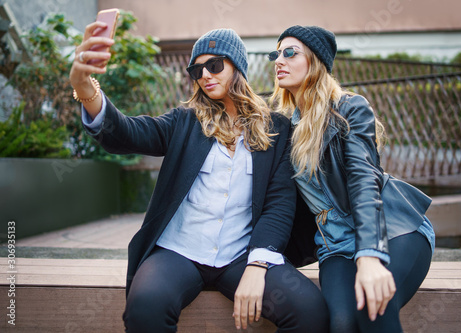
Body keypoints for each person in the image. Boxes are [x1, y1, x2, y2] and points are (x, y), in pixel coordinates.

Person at [70, 22, 329, 333]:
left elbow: (278, 204)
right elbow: (126, 132)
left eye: (215, 65)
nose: (205, 75)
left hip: (241, 255)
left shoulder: (277, 128)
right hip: (179, 252)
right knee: (145, 307)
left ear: (238, 67)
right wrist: (85, 88)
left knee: (310, 311)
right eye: (197, 70)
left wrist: (257, 265)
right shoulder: (184, 121)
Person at [270, 25, 435, 332]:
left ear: (316, 62)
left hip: (391, 228)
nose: (279, 60)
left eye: (290, 52)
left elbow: (363, 180)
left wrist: (370, 256)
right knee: (343, 323)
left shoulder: (349, 109)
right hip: (335, 247)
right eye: (276, 53)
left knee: (373, 310)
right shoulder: (283, 126)